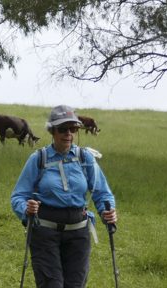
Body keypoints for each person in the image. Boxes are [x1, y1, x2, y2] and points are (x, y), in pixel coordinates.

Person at [10, 105, 118, 288]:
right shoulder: (39, 158)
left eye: (73, 129)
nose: (68, 133)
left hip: (78, 233)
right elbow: (18, 196)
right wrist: (26, 209)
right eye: (62, 129)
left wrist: (108, 213)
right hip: (45, 233)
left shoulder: (85, 158)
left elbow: (101, 192)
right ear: (52, 131)